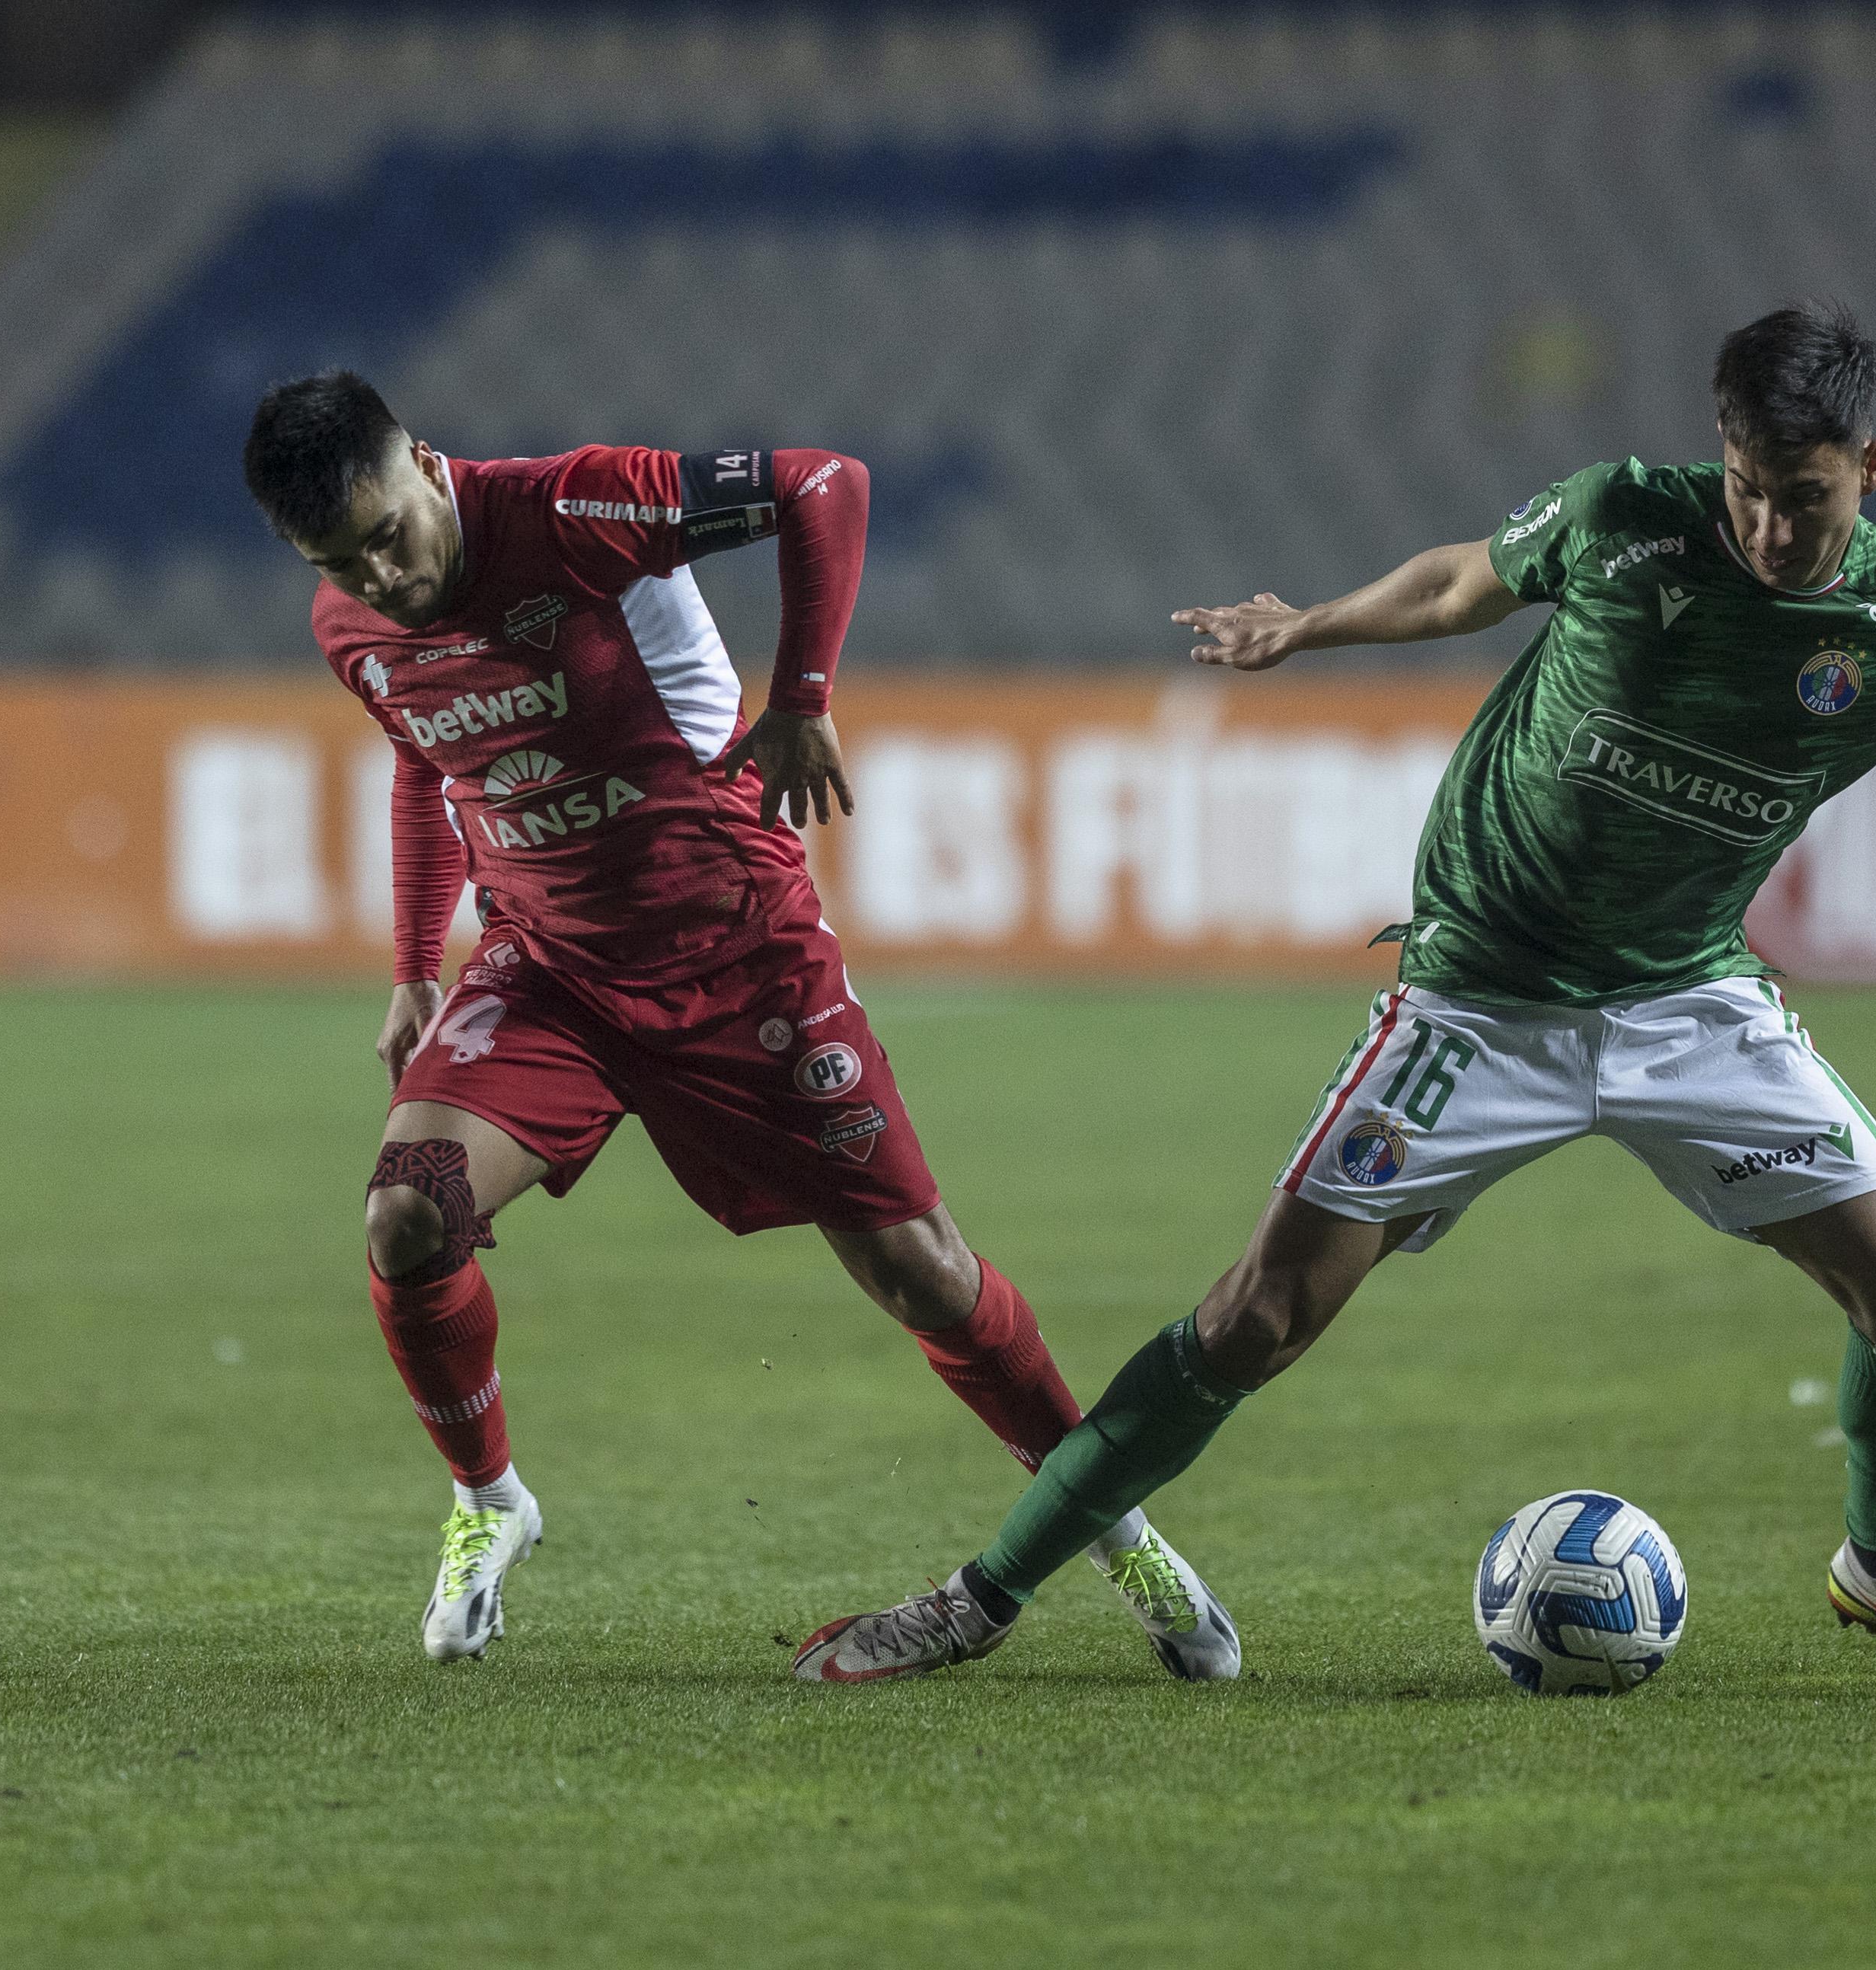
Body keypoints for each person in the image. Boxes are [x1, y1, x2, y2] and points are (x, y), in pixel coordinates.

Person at [792, 303, 1876, 1684]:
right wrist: (1311, 624)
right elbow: (1467, 577)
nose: (1769, 529)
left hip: (1688, 1005)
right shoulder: (1626, 523)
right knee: (1256, 1315)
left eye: (1803, 502)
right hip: (1481, 1000)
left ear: (1871, 464)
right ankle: (980, 1599)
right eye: (1745, 488)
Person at [241, 371, 1236, 1674]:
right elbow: (426, 761)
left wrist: (804, 695)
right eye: (341, 560)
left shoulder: (571, 506)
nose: (384, 575)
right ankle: (490, 1504)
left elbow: (825, 482)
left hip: (735, 951)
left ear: (425, 463)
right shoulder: (350, 627)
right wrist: (416, 961)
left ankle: (1113, 1525)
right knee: (409, 1210)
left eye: (389, 533)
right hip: (549, 971)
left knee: (920, 1271)